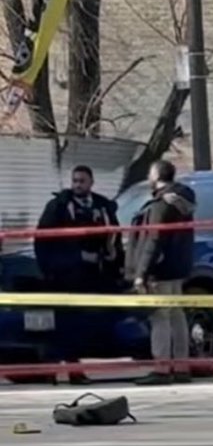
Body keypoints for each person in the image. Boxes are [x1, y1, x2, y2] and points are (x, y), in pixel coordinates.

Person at [33, 165, 124, 384]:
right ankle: (59, 370)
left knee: (86, 322)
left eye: (82, 181)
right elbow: (42, 240)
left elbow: (115, 237)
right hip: (65, 275)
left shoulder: (103, 207)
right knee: (64, 322)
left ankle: (78, 365)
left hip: (95, 273)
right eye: (75, 181)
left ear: (91, 182)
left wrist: (115, 261)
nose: (77, 185)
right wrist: (51, 269)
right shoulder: (59, 206)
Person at [127, 160, 197, 386]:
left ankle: (162, 368)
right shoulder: (183, 201)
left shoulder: (160, 204)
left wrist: (141, 273)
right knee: (177, 315)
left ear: (156, 175)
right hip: (178, 268)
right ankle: (182, 366)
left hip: (161, 270)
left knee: (160, 317)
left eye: (150, 172)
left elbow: (153, 240)